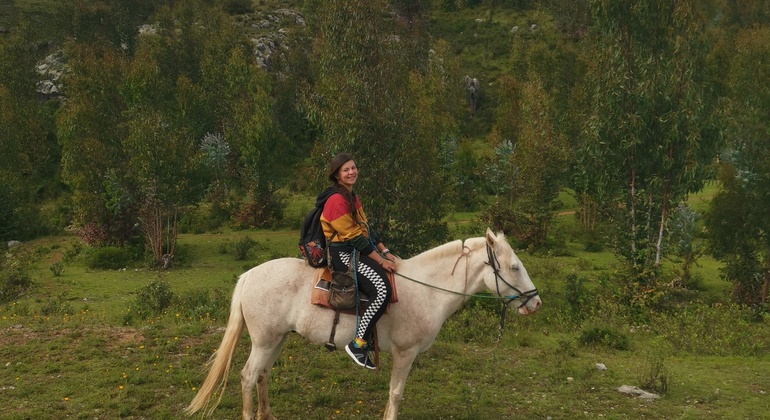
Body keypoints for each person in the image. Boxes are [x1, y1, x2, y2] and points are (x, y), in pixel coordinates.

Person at [320, 152, 395, 369]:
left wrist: (385, 250)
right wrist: (380, 261)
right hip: (343, 255)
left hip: (356, 251)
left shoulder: (351, 196)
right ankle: (358, 344)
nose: (351, 172)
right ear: (337, 176)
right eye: (346, 170)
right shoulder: (336, 200)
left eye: (353, 168)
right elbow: (354, 237)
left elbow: (366, 229)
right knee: (382, 290)